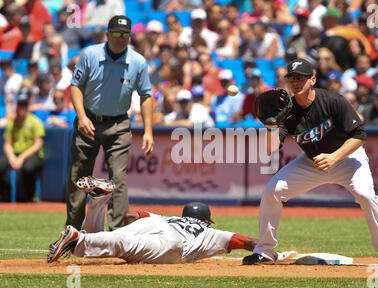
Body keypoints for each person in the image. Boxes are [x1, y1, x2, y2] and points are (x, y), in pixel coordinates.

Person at [242, 58, 378, 266]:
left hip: (346, 158)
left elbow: (360, 135)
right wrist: (271, 126)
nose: (295, 82)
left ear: (313, 79)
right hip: (311, 162)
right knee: (272, 191)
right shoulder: (287, 111)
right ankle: (265, 251)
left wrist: (334, 157)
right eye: (292, 78)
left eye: (301, 78)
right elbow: (270, 148)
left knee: (366, 195)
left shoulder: (333, 101)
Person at [66, 15, 154, 232]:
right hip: (88, 121)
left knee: (118, 178)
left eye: (126, 34)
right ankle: (73, 232)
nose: (121, 38)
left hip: (119, 125)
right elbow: (75, 86)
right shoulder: (90, 54)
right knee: (79, 178)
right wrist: (82, 117)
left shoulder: (138, 62)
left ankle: (118, 234)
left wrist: (148, 131)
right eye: (117, 33)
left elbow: (146, 96)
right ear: (108, 34)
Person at [47, 176, 259, 264]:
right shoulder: (211, 232)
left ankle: (98, 201)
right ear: (206, 220)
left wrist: (133, 230)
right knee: (124, 246)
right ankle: (78, 238)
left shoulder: (171, 218)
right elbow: (250, 242)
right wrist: (268, 253)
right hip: (175, 242)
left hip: (156, 223)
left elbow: (131, 216)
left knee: (115, 238)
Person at [0, 87, 45, 202]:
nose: (22, 108)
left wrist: (20, 158)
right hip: (16, 153)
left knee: (28, 167)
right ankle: (7, 194)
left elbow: (38, 144)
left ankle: (28, 196)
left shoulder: (34, 121)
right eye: (20, 105)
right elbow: (7, 144)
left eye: (24, 105)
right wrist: (12, 158)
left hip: (32, 154)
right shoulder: (12, 123)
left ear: (28, 106)